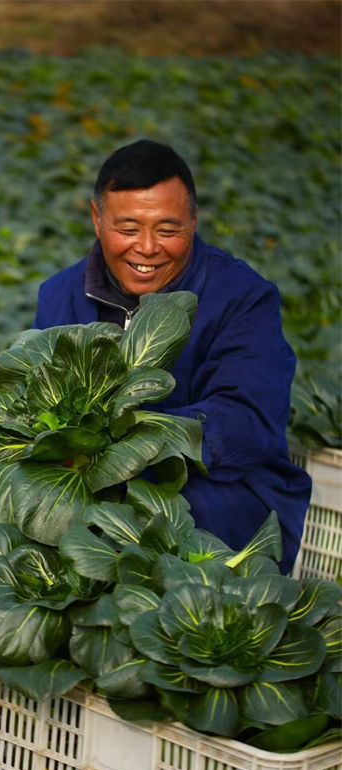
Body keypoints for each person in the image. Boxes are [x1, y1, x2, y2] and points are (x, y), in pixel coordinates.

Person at [33, 139, 311, 574]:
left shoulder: (242, 297)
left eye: (168, 230)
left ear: (194, 221)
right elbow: (30, 397)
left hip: (222, 490)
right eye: (127, 230)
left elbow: (249, 420)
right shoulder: (58, 295)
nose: (146, 248)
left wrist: (131, 445)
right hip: (83, 482)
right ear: (96, 218)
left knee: (143, 539)